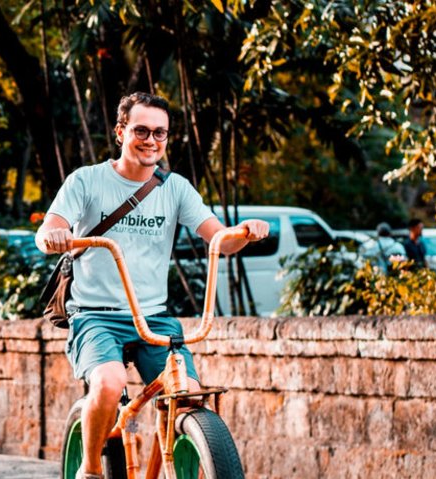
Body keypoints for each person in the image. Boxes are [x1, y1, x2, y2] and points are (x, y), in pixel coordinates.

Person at [35, 92, 270, 479]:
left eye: (160, 133)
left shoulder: (174, 187)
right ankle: (91, 469)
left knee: (186, 395)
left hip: (154, 320)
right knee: (109, 384)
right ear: (120, 132)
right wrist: (53, 237)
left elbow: (219, 241)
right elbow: (51, 227)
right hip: (95, 316)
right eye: (141, 130)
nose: (151, 140)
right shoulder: (87, 180)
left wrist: (244, 233)